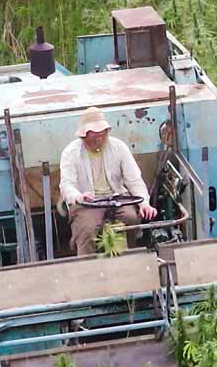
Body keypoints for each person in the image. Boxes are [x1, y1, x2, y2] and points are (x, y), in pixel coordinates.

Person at [59, 106, 158, 256]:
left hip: (117, 197)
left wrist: (144, 203)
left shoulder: (119, 147)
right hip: (87, 203)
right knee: (87, 229)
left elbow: (134, 180)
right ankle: (86, 267)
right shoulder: (70, 153)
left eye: (101, 133)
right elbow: (66, 185)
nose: (99, 138)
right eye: (94, 134)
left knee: (131, 219)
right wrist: (79, 196)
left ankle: (132, 258)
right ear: (84, 134)